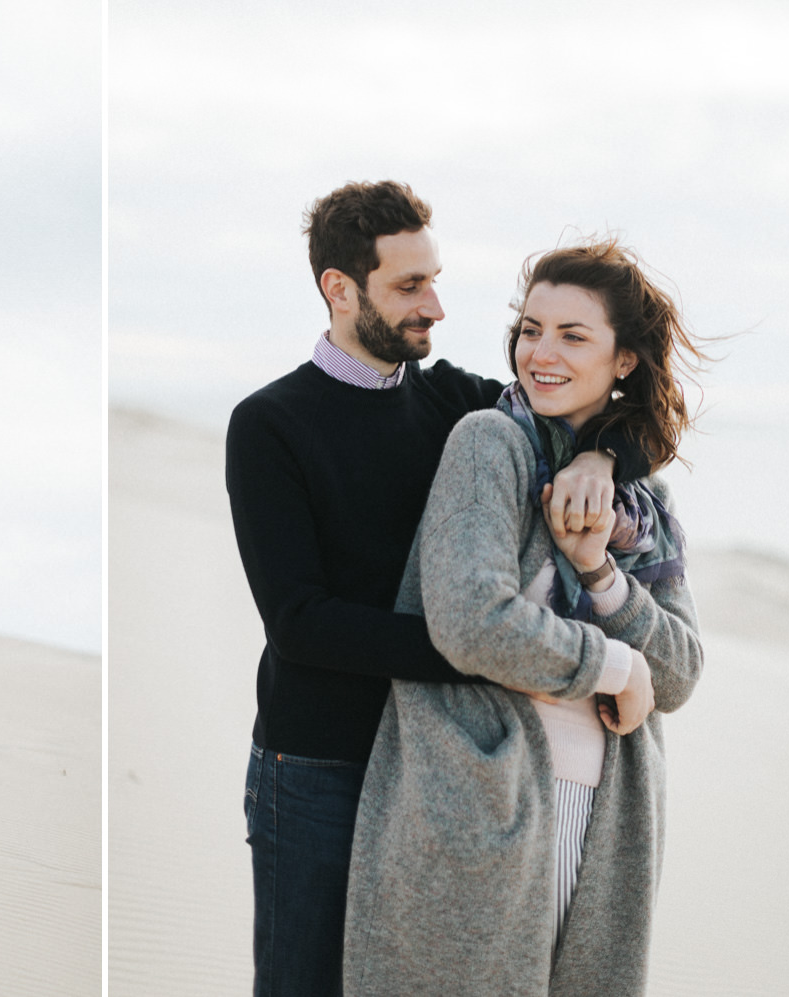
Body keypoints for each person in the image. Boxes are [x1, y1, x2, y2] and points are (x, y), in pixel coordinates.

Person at [225, 182, 647, 996]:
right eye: (410, 286)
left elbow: (598, 405)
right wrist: (492, 651)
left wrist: (603, 460)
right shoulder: (269, 423)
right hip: (316, 761)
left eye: (435, 278)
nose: (437, 306)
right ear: (339, 289)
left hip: (429, 764)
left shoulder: (455, 401)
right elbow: (301, 622)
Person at [341, 240, 706, 995]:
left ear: (624, 360)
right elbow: (471, 619)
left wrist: (601, 573)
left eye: (573, 336)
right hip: (482, 806)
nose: (540, 352)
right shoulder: (488, 443)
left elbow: (679, 673)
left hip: (608, 822)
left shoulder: (648, 507)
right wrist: (613, 663)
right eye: (530, 328)